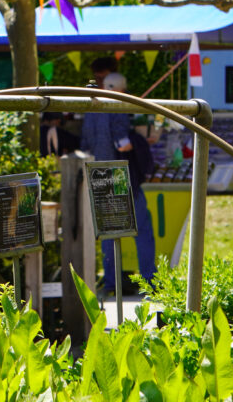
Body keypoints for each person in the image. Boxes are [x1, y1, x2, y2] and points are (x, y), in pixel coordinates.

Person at [81, 69, 157, 295]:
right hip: (120, 176)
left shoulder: (91, 110)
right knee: (142, 229)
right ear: (120, 89)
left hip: (98, 175)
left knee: (108, 233)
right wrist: (143, 140)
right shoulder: (118, 107)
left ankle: (112, 283)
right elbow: (123, 144)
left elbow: (85, 145)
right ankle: (149, 282)